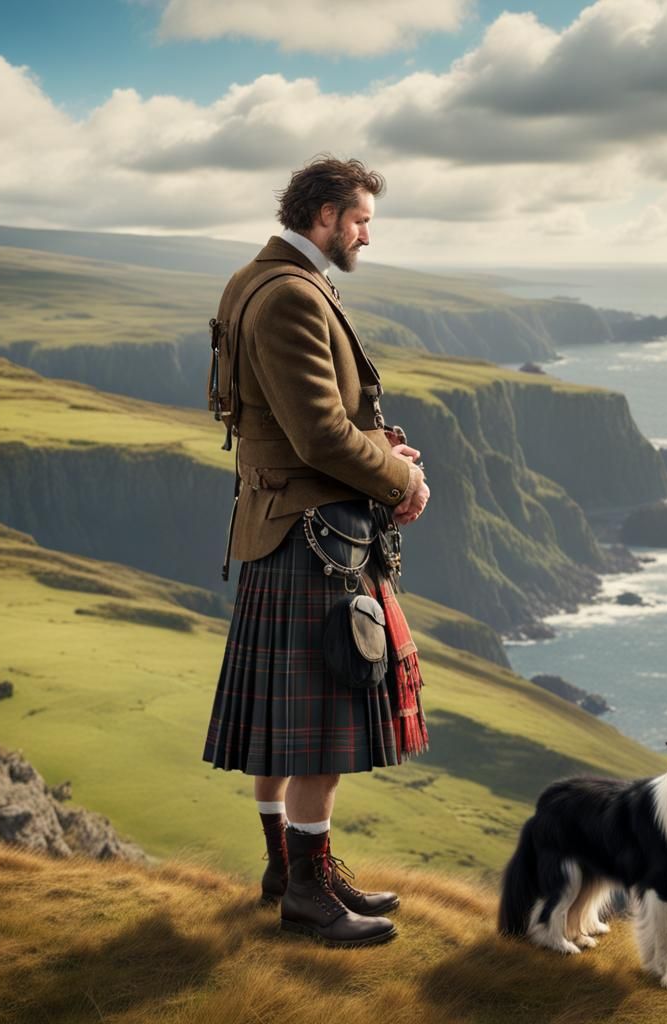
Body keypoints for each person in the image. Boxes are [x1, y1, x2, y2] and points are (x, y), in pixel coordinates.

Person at [201, 156, 430, 948]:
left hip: (278, 525)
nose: (368, 234)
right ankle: (306, 892)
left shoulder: (253, 280)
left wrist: (376, 442)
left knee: (278, 725)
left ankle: (292, 869)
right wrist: (399, 475)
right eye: (361, 219)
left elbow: (298, 417)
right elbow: (318, 434)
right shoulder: (295, 296)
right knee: (320, 730)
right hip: (314, 539)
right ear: (326, 215)